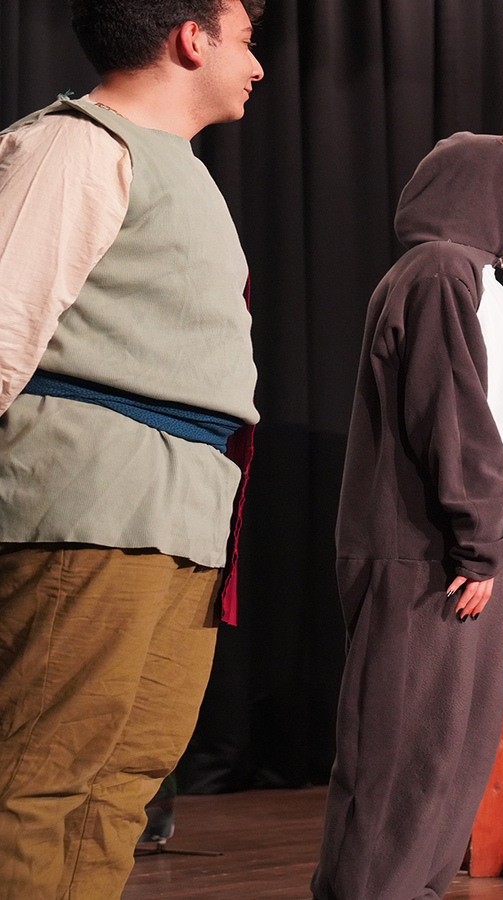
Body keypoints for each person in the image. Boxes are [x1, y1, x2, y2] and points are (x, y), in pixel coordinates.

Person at [0, 1, 263, 895]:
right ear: (192, 38)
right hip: (89, 496)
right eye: (246, 40)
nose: (257, 65)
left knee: (122, 783)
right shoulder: (74, 145)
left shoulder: (182, 170)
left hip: (181, 510)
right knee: (38, 774)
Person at [310, 132, 503, 899]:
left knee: (449, 750)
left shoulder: (478, 281)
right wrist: (478, 542)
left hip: (466, 548)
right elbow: (449, 413)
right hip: (431, 552)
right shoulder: (441, 271)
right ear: (487, 189)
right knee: (405, 750)